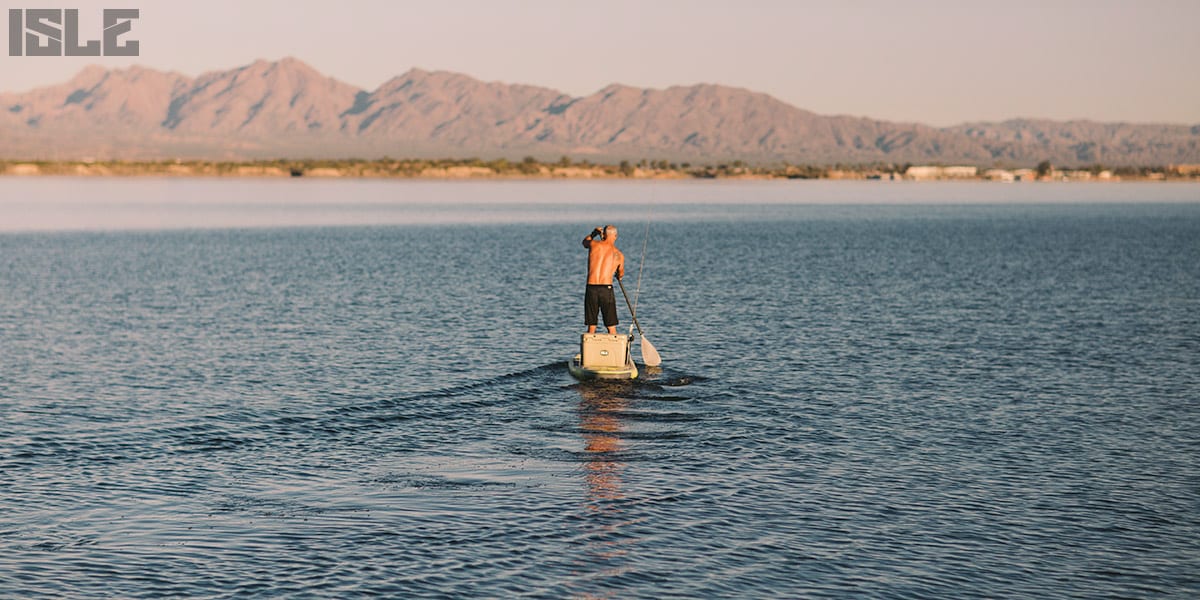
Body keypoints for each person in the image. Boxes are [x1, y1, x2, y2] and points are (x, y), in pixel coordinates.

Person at [581, 224, 625, 334]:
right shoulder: (619, 255)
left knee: (592, 326)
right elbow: (620, 274)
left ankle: (589, 350)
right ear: (615, 236)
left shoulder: (594, 244)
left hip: (591, 287)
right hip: (606, 289)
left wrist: (593, 233)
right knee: (611, 326)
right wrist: (617, 274)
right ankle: (614, 350)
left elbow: (584, 242)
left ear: (603, 235)